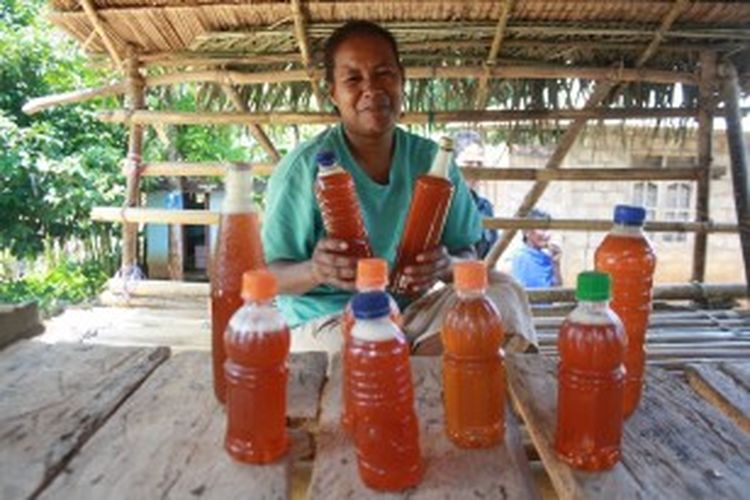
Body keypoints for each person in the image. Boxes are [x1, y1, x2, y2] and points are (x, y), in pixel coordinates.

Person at [261, 20, 536, 355]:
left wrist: (446, 265)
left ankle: (419, 361)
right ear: (333, 92)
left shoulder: (432, 161)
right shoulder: (302, 170)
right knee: (365, 353)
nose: (371, 89)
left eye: (384, 74)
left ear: (401, 80)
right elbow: (267, 276)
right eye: (353, 78)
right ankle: (423, 367)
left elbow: (469, 254)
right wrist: (315, 270)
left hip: (410, 316)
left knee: (504, 292)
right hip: (329, 323)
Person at [510, 209, 563, 288]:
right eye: (543, 229)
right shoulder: (521, 257)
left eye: (548, 229)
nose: (547, 235)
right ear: (527, 232)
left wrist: (556, 264)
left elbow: (557, 289)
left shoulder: (548, 258)